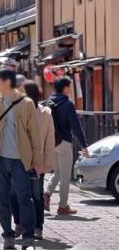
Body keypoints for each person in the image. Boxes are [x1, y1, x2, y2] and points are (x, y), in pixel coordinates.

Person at [0, 68, 42, 250]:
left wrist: (36, 160)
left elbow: (34, 134)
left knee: (24, 198)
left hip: (21, 159)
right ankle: (8, 235)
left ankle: (28, 236)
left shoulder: (26, 103)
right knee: (2, 198)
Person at [10, 81, 56, 240]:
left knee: (36, 195)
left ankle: (38, 227)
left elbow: (50, 139)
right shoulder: (15, 111)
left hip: (37, 161)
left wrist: (48, 162)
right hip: (18, 159)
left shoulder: (45, 113)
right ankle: (19, 223)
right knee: (15, 193)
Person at [44, 76, 89, 215]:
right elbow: (76, 127)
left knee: (57, 172)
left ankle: (46, 194)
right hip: (64, 143)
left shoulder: (47, 103)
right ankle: (63, 206)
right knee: (65, 176)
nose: (70, 89)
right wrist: (84, 145)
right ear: (65, 88)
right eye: (69, 86)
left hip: (51, 143)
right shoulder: (67, 104)